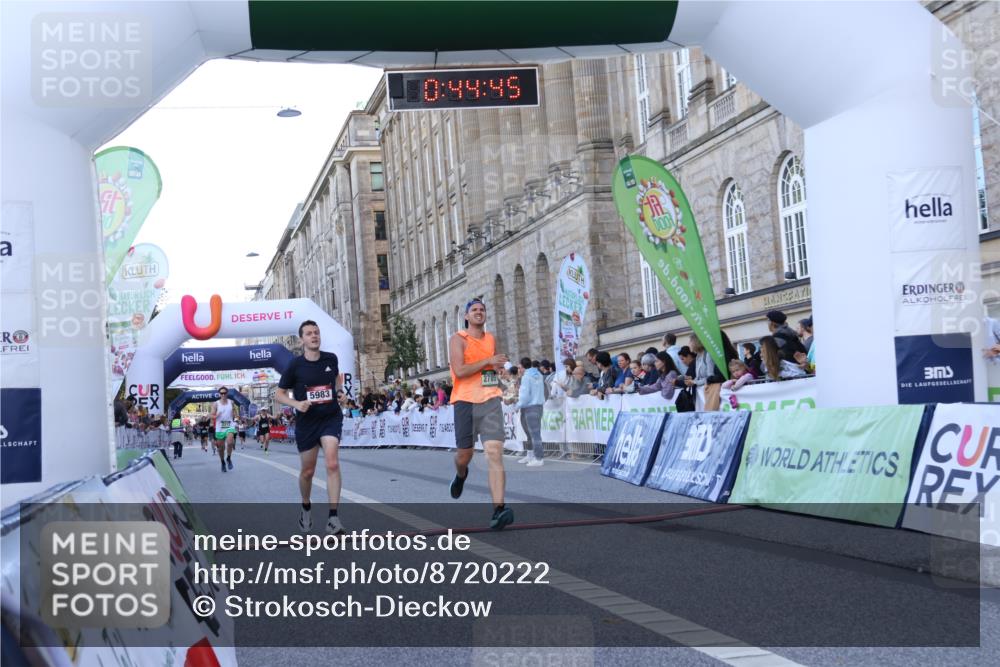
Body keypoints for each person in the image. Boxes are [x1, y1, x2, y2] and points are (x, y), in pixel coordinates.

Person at [447, 298, 514, 530]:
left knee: (494, 452)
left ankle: (499, 509)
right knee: (464, 456)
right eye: (474, 310)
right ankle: (461, 474)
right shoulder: (458, 339)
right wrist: (489, 361)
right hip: (464, 401)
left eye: (482, 310)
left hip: (490, 400)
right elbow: (460, 371)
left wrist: (501, 377)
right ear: (466, 316)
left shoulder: (490, 339)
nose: (479, 312)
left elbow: (488, 373)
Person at [276, 320, 346, 535]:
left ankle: (333, 518)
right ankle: (306, 506)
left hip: (330, 418)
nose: (314, 336)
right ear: (302, 340)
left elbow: (336, 381)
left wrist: (340, 393)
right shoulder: (295, 365)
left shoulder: (330, 359)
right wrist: (297, 404)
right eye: (309, 333)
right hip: (307, 423)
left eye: (316, 332)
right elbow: (278, 394)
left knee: (332, 463)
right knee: (308, 471)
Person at [515, 357, 546, 466]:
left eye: (519, 367)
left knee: (534, 434)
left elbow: (524, 395)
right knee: (533, 433)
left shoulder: (526, 377)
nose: (519, 370)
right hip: (539, 405)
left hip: (530, 406)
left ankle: (539, 458)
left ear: (523, 367)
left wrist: (517, 405)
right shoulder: (539, 375)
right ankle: (533, 455)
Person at [210, 387, 237, 473]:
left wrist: (236, 416)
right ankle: (222, 462)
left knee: (230, 442)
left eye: (225, 393)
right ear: (219, 394)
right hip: (220, 428)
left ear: (227, 393)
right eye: (221, 393)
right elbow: (211, 416)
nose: (223, 394)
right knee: (221, 448)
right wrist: (216, 416)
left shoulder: (231, 402)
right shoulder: (216, 404)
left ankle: (228, 458)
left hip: (229, 426)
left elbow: (234, 413)